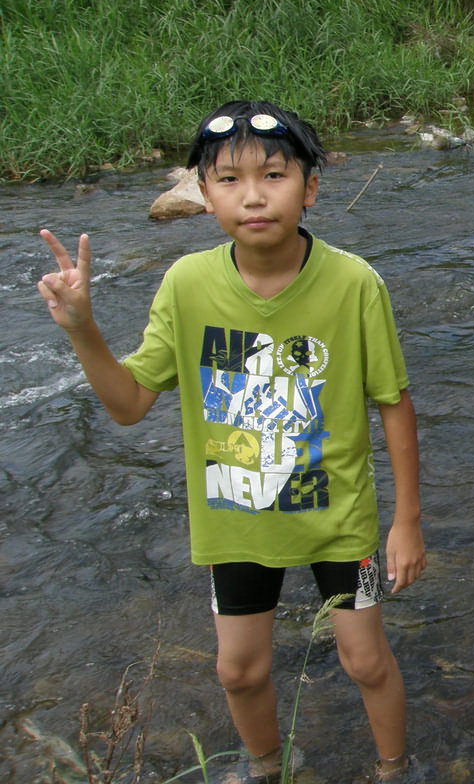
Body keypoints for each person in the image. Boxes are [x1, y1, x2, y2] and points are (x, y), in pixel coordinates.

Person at [37, 101, 428, 784]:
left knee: (365, 660)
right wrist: (81, 328)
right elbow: (129, 404)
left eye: (274, 175)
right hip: (235, 520)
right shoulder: (187, 285)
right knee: (237, 671)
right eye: (228, 179)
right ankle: (267, 767)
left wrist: (407, 521)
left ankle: (394, 770)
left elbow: (393, 402)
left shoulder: (355, 282)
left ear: (309, 187)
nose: (253, 195)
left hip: (341, 524)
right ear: (202, 193)